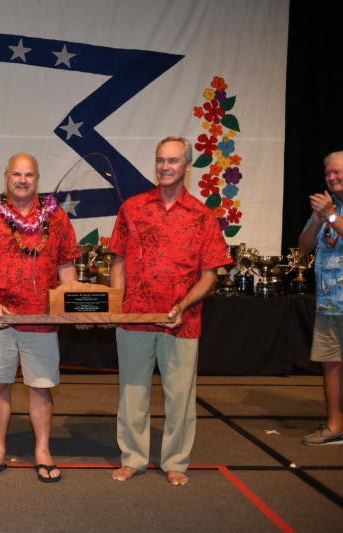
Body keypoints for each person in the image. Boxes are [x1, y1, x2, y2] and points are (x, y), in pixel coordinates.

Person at [109, 137, 230, 486]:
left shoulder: (203, 217)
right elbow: (118, 260)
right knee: (132, 394)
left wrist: (184, 305)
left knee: (180, 397)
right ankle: (132, 458)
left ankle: (175, 461)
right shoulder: (132, 208)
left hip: (183, 322)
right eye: (160, 160)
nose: (165, 166)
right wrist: (118, 305)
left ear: (186, 167)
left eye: (173, 161)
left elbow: (211, 275)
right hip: (134, 320)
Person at [0, 152, 78, 482]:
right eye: (17, 174)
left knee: (41, 387)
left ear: (37, 179)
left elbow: (66, 265)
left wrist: (72, 306)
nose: (22, 180)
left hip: (43, 318)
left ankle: (43, 450)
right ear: (5, 177)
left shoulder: (56, 218)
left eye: (29, 174)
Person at [298, 151, 343, 446]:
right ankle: (335, 427)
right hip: (330, 301)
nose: (332, 178)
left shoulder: (332, 210)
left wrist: (329, 215)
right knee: (331, 363)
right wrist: (317, 220)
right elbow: (303, 248)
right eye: (328, 173)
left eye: (337, 172)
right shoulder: (328, 206)